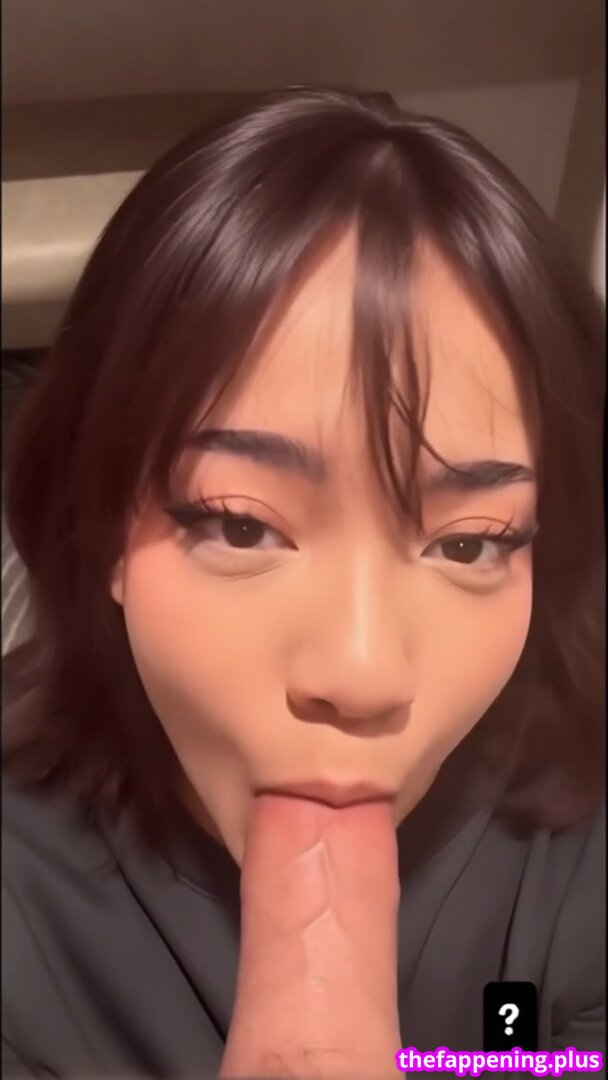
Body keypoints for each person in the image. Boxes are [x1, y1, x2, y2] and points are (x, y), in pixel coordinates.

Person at [2, 87, 604, 1080]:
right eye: (241, 524)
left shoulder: (576, 861)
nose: (362, 673)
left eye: (470, 543)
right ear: (101, 528)